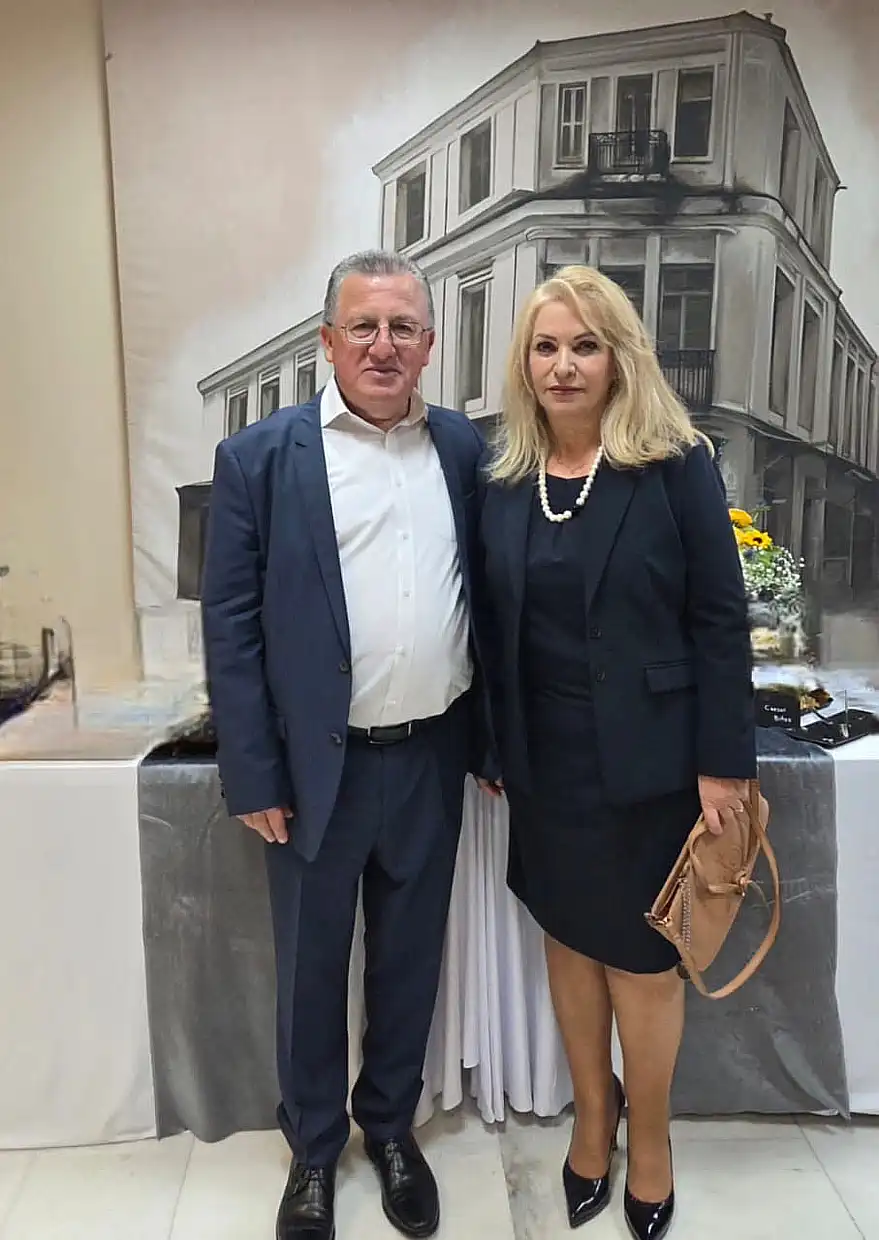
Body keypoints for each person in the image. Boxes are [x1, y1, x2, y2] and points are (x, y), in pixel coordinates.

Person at [201, 249, 491, 1240]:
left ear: (429, 345)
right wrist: (252, 770)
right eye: (362, 326)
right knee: (311, 971)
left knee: (410, 961)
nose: (382, 345)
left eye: (402, 327)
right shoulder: (258, 459)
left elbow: (489, 600)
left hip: (431, 757)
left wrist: (493, 743)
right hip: (313, 771)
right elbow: (231, 627)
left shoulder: (462, 449)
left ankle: (392, 1128)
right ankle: (315, 1151)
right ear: (327, 341)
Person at [478, 266, 755, 1239]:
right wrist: (492, 744)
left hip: (651, 765)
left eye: (585, 345)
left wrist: (723, 762)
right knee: (568, 943)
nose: (564, 365)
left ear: (618, 358)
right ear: (524, 363)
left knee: (640, 961)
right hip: (544, 768)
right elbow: (488, 631)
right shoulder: (502, 476)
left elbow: (719, 619)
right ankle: (591, 1123)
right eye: (546, 346)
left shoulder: (675, 465)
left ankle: (653, 1140)